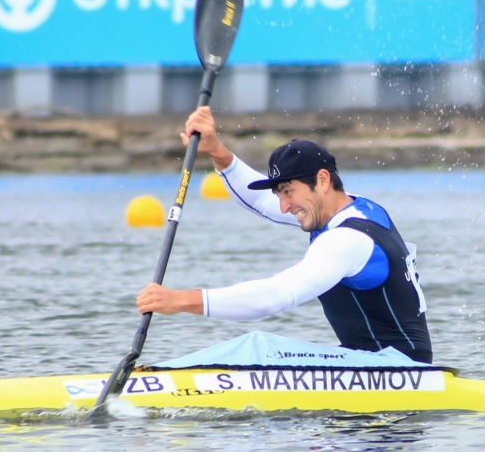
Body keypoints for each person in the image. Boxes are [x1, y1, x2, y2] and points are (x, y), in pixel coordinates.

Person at [135, 108, 433, 363]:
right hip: (377, 363)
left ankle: (152, 383)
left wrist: (181, 300)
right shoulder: (356, 208)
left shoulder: (347, 241)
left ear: (322, 180)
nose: (283, 206)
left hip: (395, 370)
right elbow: (260, 200)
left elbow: (276, 296)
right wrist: (216, 151)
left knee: (258, 347)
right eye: (280, 194)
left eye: (288, 192)